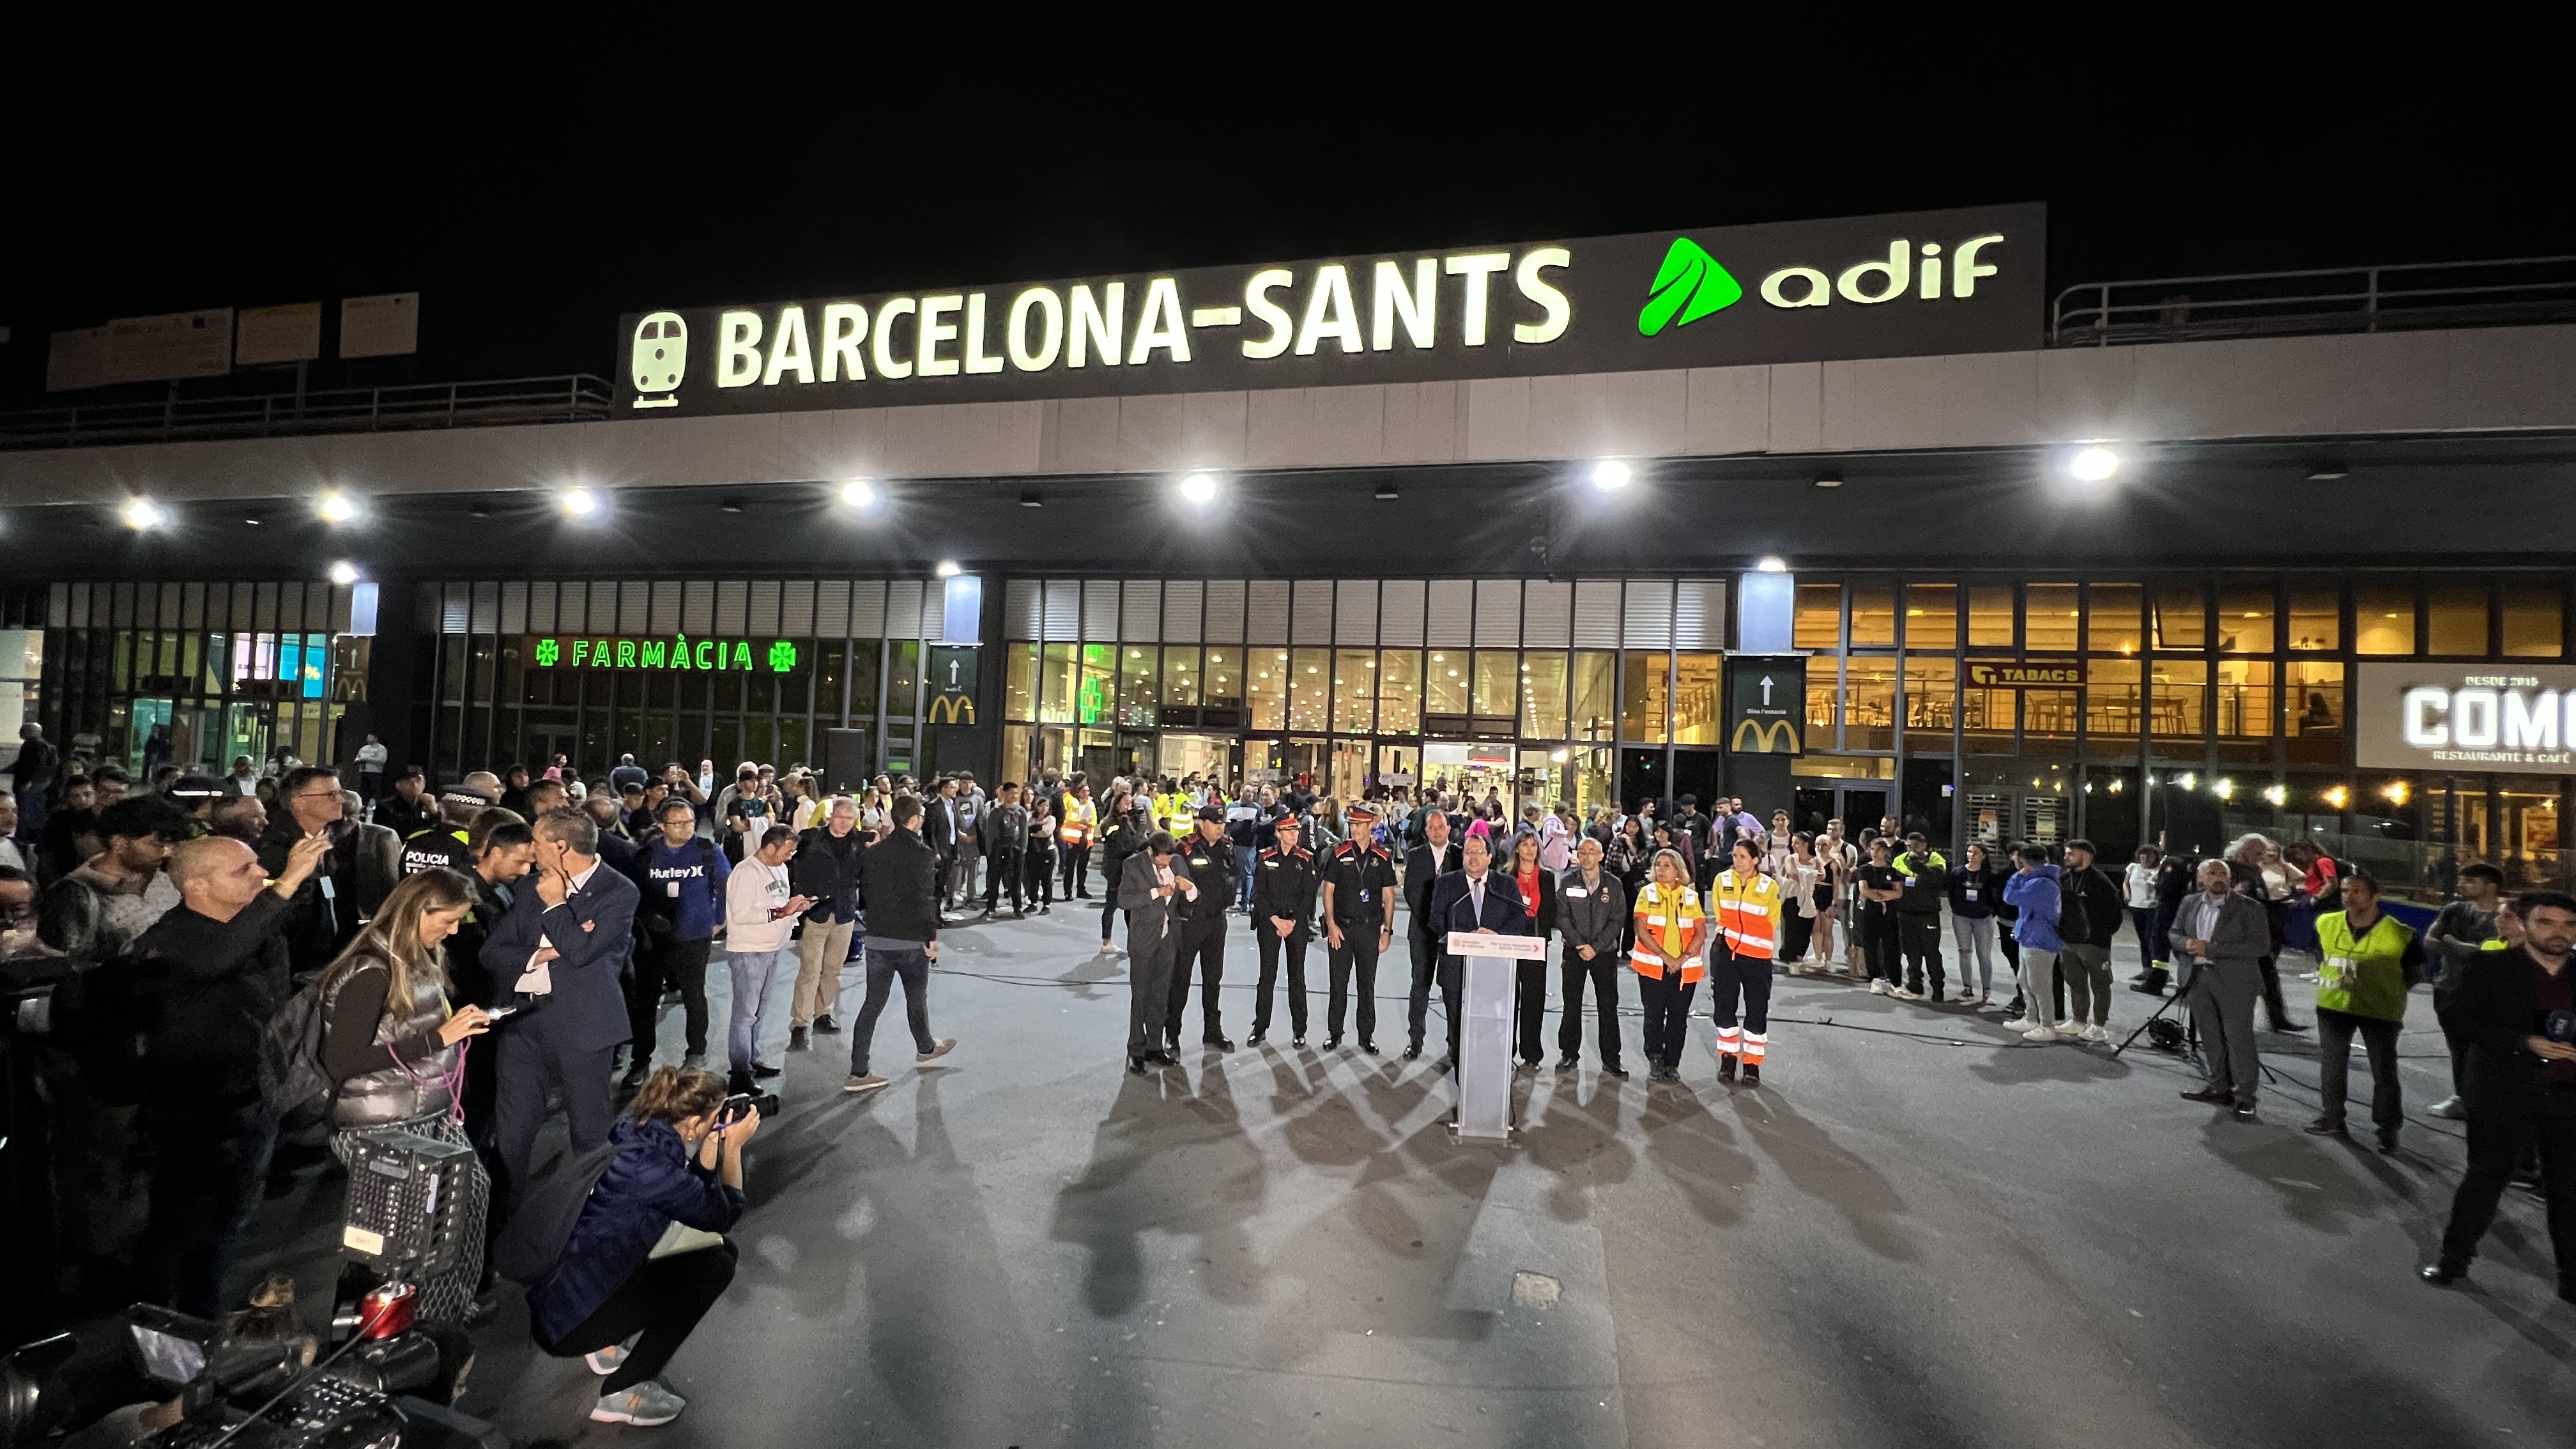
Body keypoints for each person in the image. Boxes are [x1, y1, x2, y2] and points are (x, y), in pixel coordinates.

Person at [130, 831, 328, 1316]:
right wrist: (287, 885)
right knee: (182, 1229)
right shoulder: (170, 940)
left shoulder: (256, 936)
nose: (262, 874)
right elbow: (214, 958)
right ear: (196, 886)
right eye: (243, 870)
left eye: (260, 865)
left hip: (252, 1102)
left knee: (227, 1224)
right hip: (196, 1118)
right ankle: (161, 1329)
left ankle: (202, 1317)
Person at [526, 1067, 755, 1427]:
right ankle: (624, 1391)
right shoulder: (654, 1171)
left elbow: (690, 1190)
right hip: (569, 1323)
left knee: (720, 1251)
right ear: (694, 1122)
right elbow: (723, 1213)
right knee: (717, 1266)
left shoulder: (640, 1133)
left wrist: (710, 1144)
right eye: (718, 1115)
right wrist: (734, 1149)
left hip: (560, 1295)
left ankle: (604, 1348)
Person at [316, 870, 493, 1317]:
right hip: (383, 1125)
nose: (452, 932)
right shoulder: (371, 972)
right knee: (397, 1237)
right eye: (448, 921)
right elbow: (343, 1061)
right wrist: (439, 1039)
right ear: (417, 910)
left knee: (450, 1212)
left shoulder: (415, 956)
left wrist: (451, 1029)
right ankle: (389, 1325)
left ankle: (436, 1313)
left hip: (422, 1113)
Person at [2421, 890, 2576, 1301]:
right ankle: (2453, 1260)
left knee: (2568, 1189)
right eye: (2547, 923)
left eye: (2569, 925)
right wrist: (2524, 1041)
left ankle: (2571, 1278)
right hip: (2504, 1093)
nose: (2560, 933)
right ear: (2524, 924)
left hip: (2567, 1094)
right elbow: (2458, 1018)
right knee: (2485, 1179)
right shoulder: (2489, 966)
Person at [488, 808, 643, 1216]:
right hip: (523, 1027)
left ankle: (591, 1228)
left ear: (561, 846)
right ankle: (497, 1233)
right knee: (511, 1139)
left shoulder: (619, 892)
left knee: (590, 1138)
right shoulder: (527, 888)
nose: (530, 851)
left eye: (537, 844)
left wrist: (557, 907)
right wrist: (545, 953)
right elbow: (493, 952)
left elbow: (582, 952)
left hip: (585, 1030)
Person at [2305, 869, 2423, 1151]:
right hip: (2333, 1005)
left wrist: (2386, 991)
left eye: (2357, 891)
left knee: (2383, 1071)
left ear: (2374, 897)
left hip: (2380, 1010)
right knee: (2332, 1065)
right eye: (2345, 891)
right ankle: (2332, 1117)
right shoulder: (2326, 923)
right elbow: (2321, 956)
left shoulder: (2400, 933)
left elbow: (2415, 974)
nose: (2349, 897)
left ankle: (2387, 1128)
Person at [845, 793, 955, 1093]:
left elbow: (864, 893)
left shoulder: (873, 852)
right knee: (916, 998)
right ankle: (925, 1048)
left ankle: (858, 1070)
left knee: (872, 1004)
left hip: (878, 939)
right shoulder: (921, 854)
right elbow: (925, 900)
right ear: (915, 820)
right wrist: (931, 938)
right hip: (909, 941)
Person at [630, 801, 729, 1085]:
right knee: (647, 999)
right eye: (678, 823)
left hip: (694, 935)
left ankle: (696, 1052)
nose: (686, 828)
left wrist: (719, 919)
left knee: (694, 996)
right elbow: (634, 892)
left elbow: (725, 883)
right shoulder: (648, 854)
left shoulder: (707, 850)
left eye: (689, 822)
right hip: (654, 937)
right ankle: (640, 1060)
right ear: (662, 825)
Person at [2172, 858, 2272, 1121]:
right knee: (2211, 1037)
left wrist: (2212, 950)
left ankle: (2245, 1096)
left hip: (2236, 982)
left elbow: (2261, 946)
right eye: (2212, 873)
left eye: (2222, 874)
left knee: (2239, 1039)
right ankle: (2219, 1086)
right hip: (2197, 978)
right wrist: (2186, 943)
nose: (2218, 878)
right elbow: (2174, 932)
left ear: (2229, 879)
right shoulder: (2189, 903)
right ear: (2201, 878)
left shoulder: (2250, 908)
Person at [38, 793, 189, 961]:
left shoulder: (168, 877)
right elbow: (69, 959)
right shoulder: (75, 893)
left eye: (171, 844)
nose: (168, 851)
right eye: (156, 845)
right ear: (119, 843)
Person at [1427, 831, 1528, 1073]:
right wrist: (1465, 937)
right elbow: (1436, 919)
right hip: (1457, 967)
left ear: (1490, 857)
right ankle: (1460, 1058)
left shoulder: (1505, 884)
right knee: (1457, 1019)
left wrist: (1496, 937)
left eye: (1479, 853)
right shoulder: (1447, 883)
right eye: (1468, 853)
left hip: (1496, 969)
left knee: (1493, 1021)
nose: (1473, 858)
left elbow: (1519, 919)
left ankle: (1497, 1061)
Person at [723, 825, 809, 1092]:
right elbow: (741, 915)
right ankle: (740, 1073)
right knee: (745, 1014)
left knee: (759, 1012)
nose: (791, 856)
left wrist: (796, 909)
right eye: (787, 850)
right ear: (770, 846)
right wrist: (783, 912)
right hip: (749, 951)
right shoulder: (745, 872)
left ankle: (751, 1058)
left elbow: (780, 904)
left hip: (772, 948)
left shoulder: (780, 868)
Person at [257, 764, 361, 978]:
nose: (341, 800)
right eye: (331, 795)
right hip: (290, 970)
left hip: (327, 962)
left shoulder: (329, 841)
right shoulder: (273, 850)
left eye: (339, 793)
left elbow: (334, 897)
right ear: (298, 802)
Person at [2425, 862, 2504, 1119]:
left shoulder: (2506, 915)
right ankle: (2462, 1098)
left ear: (2489, 885)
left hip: (2490, 993)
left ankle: (2485, 1100)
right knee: (2457, 1049)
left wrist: (2453, 943)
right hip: (2450, 987)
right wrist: (2461, 949)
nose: (2461, 886)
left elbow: (2496, 950)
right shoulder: (2454, 909)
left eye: (2470, 881)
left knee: (2488, 1050)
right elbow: (2430, 940)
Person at [1320, 801, 1399, 1054]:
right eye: (1352, 825)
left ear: (1371, 825)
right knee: (1338, 984)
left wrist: (1387, 931)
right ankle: (1335, 1033)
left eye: (1360, 825)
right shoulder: (1339, 853)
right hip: (1342, 928)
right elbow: (1328, 890)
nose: (1355, 830)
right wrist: (1331, 924)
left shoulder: (1382, 857)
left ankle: (1366, 1035)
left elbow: (1388, 897)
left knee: (1367, 985)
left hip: (1369, 929)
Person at [788, 797, 864, 1048]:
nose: (845, 823)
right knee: (810, 970)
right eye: (841, 817)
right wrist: (801, 896)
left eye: (850, 819)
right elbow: (793, 866)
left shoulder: (858, 844)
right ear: (830, 816)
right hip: (816, 912)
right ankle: (800, 1023)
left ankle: (823, 1013)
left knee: (833, 969)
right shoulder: (810, 839)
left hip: (845, 914)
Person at [1708, 837, 1783, 1085]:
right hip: (1727, 955)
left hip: (1757, 958)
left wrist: (1746, 931)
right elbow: (1720, 914)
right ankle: (1728, 1061)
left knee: (1756, 1011)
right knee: (1724, 1009)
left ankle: (1752, 1066)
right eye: (1735, 855)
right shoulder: (1722, 880)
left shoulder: (1768, 886)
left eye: (1742, 857)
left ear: (1755, 860)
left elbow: (1772, 920)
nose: (1737, 860)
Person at [1629, 848, 1705, 1083]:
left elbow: (1701, 932)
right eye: (1658, 865)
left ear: (1678, 872)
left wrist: (1681, 959)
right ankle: (1655, 1058)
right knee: (1653, 1016)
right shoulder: (1647, 893)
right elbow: (1641, 930)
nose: (1661, 869)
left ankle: (1672, 1063)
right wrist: (1666, 957)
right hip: (1654, 967)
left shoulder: (1691, 897)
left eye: (1666, 866)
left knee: (1678, 1018)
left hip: (1684, 970)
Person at [1167, 806, 1240, 1050]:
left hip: (1216, 922)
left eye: (1223, 824)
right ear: (1202, 823)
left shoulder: (1227, 847)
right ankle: (1172, 1034)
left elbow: (1234, 877)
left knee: (1213, 980)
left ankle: (1212, 1031)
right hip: (1191, 923)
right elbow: (1174, 881)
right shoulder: (1186, 848)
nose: (1221, 828)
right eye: (1216, 823)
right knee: (1181, 980)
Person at [1555, 834, 1627, 1077]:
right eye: (1582, 852)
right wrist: (1579, 945)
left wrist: (1595, 947)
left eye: (1591, 852)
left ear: (1601, 856)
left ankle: (1611, 1058)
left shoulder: (1614, 885)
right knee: (1571, 1005)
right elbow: (1562, 917)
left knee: (1608, 1006)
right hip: (1575, 952)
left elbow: (1618, 919)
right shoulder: (1568, 882)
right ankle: (1568, 1054)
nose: (1586, 856)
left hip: (1604, 953)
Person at [1248, 813, 1320, 1047]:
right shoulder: (1266, 857)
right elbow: (1259, 893)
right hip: (1271, 923)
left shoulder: (1305, 858)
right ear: (1278, 833)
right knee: (1267, 975)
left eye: (1296, 830)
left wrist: (1293, 922)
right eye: (1289, 830)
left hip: (1296, 923)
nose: (1294, 834)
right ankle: (1260, 1027)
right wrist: (1276, 920)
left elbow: (1309, 895)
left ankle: (1300, 1028)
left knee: (1297, 976)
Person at [1120, 831, 1187, 1073]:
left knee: (1161, 997)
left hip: (1168, 940)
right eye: (1162, 860)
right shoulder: (1133, 865)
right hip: (1143, 940)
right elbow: (1123, 900)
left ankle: (1155, 1047)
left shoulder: (1177, 863)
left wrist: (1188, 889)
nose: (1166, 864)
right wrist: (1155, 893)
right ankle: (1135, 1050)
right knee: (1141, 998)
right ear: (1151, 852)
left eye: (1169, 860)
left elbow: (1190, 896)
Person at [1401, 806, 1464, 1059]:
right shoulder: (1416, 856)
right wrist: (1432, 921)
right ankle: (1416, 1040)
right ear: (1426, 830)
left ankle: (1454, 1042)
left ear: (1449, 829)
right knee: (1420, 986)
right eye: (1432, 827)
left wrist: (1448, 925)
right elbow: (1411, 892)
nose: (1437, 831)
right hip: (1422, 931)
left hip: (1453, 934)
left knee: (1452, 990)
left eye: (1441, 827)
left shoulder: (1460, 856)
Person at [2058, 839, 2124, 1043]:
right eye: (2066, 853)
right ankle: (2078, 1020)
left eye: (2070, 854)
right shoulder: (2064, 878)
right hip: (2068, 942)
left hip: (2094, 944)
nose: (2065, 857)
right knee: (2075, 982)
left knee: (2100, 985)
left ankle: (2099, 1026)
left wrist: (2100, 934)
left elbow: (2115, 915)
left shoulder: (2100, 882)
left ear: (2085, 856)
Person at [1505, 831, 1560, 1070]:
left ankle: (1531, 1054)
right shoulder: (1506, 876)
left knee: (1533, 999)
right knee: (1509, 998)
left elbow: (1551, 911)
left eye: (1533, 845)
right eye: (1525, 845)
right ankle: (1507, 1049)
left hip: (1537, 942)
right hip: (1511, 942)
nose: (1530, 849)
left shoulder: (1547, 877)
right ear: (1516, 849)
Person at [2002, 845, 2066, 1043]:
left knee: (2040, 985)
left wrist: (2019, 875)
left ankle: (2046, 1025)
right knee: (2025, 980)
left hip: (2040, 939)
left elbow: (2010, 897)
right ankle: (2030, 1018)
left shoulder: (2040, 883)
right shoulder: (2041, 880)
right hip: (2030, 935)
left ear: (2024, 861)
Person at [1890, 832, 1949, 1000]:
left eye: (1916, 846)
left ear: (1924, 845)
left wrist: (1919, 868)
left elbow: (1937, 880)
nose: (1912, 849)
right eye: (1909, 846)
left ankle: (1938, 988)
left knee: (1931, 952)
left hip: (1928, 914)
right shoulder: (1899, 860)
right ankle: (1915, 984)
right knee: (1911, 951)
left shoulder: (1936, 859)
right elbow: (1894, 882)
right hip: (1906, 913)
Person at [1946, 841, 2002, 1008]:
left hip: (1983, 919)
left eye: (1975, 853)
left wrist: (1991, 912)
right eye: (1969, 852)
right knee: (1964, 952)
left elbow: (1995, 896)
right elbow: (1951, 893)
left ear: (1983, 856)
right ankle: (1967, 988)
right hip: (1962, 917)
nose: (1971, 855)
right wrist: (1956, 908)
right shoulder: (1958, 873)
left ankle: (1987, 992)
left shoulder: (1989, 875)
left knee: (1984, 955)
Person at [1854, 838, 1906, 997]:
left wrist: (1881, 895)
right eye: (1872, 849)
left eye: (1878, 849)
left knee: (1891, 946)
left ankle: (1896, 981)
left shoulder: (1892, 871)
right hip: (1870, 912)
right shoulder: (1864, 869)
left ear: (1885, 852)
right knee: (1871, 945)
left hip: (1889, 913)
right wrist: (1881, 897)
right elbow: (1864, 890)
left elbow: (1898, 892)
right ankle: (1875, 978)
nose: (1874, 852)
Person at [1096, 799, 1148, 954]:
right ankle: (1106, 942)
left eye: (1131, 803)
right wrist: (1138, 833)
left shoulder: (1129, 821)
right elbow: (1123, 846)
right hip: (1115, 870)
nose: (1129, 806)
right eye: (1126, 802)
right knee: (1112, 905)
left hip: (1128, 870)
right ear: (1117, 804)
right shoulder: (1111, 823)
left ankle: (1133, 942)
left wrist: (1138, 823)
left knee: (1130, 907)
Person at [981, 781, 1030, 918]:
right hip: (999, 850)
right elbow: (990, 834)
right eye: (1011, 793)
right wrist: (990, 852)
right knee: (995, 879)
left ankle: (1017, 908)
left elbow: (1024, 832)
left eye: (1016, 794)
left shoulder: (1021, 812)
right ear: (1004, 794)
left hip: (1016, 850)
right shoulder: (996, 812)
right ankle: (991, 907)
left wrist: (1023, 849)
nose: (1014, 796)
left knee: (1016, 879)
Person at [1778, 832, 1822, 970]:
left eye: (1796, 843)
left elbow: (1822, 875)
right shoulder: (1791, 859)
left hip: (1809, 898)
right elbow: (1792, 873)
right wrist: (1810, 876)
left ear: (1805, 844)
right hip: (1793, 897)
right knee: (1792, 928)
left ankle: (1800, 957)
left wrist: (1809, 876)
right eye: (1793, 843)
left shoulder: (1815, 860)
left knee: (1805, 928)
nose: (1793, 846)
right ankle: (1791, 958)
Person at [2125, 846, 2165, 983]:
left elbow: (2162, 886)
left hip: (2152, 907)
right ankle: (2146, 968)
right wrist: (2127, 894)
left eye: (2149, 856)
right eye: (2143, 856)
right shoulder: (2133, 868)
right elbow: (2126, 883)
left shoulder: (2158, 870)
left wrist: (2153, 881)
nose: (2146, 859)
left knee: (2150, 938)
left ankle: (2157, 970)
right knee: (2143, 939)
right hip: (2136, 906)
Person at [9, 721, 58, 826]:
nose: (20, 733)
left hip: (30, 784)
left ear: (32, 732)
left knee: (26, 812)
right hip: (40, 784)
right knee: (34, 811)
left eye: (24, 730)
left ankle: (25, 838)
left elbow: (38, 765)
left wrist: (30, 781)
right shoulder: (48, 747)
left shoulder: (33, 746)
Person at [1059, 776, 1098, 900]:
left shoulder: (1090, 804)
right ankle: (1068, 891)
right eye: (1084, 791)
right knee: (1070, 867)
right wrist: (1081, 822)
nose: (1086, 793)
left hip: (1086, 840)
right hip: (1073, 839)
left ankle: (1081, 889)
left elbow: (1094, 820)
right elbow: (1069, 819)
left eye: (1088, 791)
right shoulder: (1073, 803)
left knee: (1083, 867)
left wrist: (1086, 823)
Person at [353, 733, 389, 803]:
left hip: (375, 772)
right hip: (364, 771)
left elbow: (382, 760)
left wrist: (367, 759)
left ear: (376, 739)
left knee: (374, 789)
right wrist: (357, 760)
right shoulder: (364, 748)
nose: (368, 739)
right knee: (364, 789)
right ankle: (364, 804)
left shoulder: (381, 749)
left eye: (370, 737)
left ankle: (376, 805)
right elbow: (358, 756)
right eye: (368, 737)